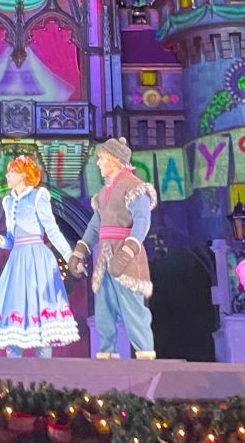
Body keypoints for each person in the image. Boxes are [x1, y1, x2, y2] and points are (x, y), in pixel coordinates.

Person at [0, 155, 78, 357]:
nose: (7, 176)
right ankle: (12, 377)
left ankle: (43, 376)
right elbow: (11, 239)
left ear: (23, 175)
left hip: (37, 259)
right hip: (17, 260)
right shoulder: (7, 201)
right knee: (13, 316)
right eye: (7, 172)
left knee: (42, 319)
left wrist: (70, 256)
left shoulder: (38, 195)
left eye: (11, 172)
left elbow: (52, 230)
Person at [68, 137, 157, 359]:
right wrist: (80, 251)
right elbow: (95, 226)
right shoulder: (104, 193)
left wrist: (127, 253)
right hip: (105, 255)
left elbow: (142, 222)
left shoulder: (134, 187)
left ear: (115, 160)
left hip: (125, 253)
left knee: (132, 306)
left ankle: (145, 354)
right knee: (104, 308)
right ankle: (107, 353)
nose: (98, 164)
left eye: (101, 159)